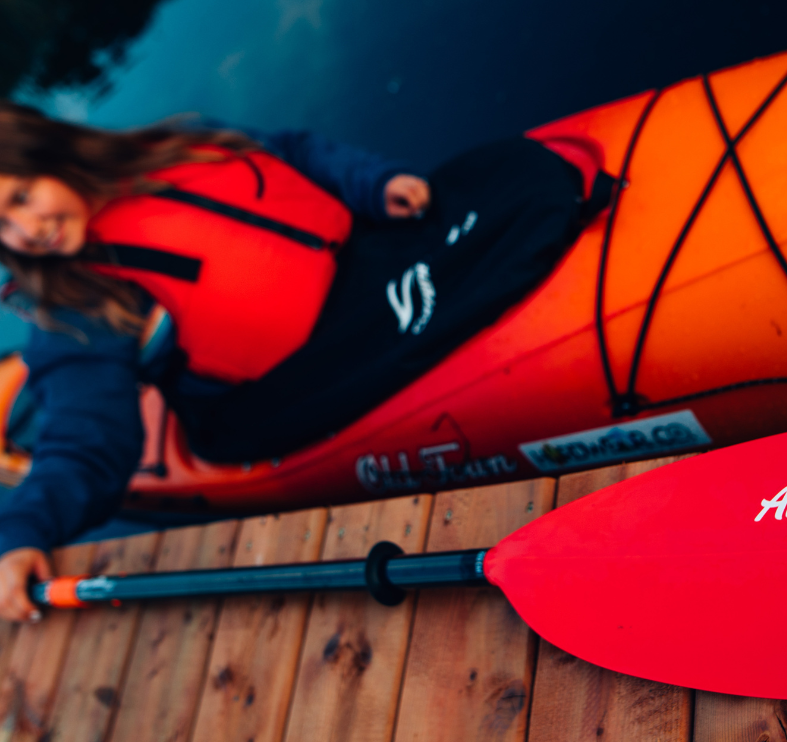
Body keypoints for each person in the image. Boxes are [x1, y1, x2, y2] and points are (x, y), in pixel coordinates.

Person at [0, 102, 590, 623]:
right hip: (289, 383)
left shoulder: (168, 147)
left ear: (56, 153)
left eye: (21, 197)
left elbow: (292, 151)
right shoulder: (72, 311)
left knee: (520, 176)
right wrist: (21, 534)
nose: (27, 230)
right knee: (517, 234)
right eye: (1, 226)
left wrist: (372, 182)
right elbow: (85, 446)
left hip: (359, 263)